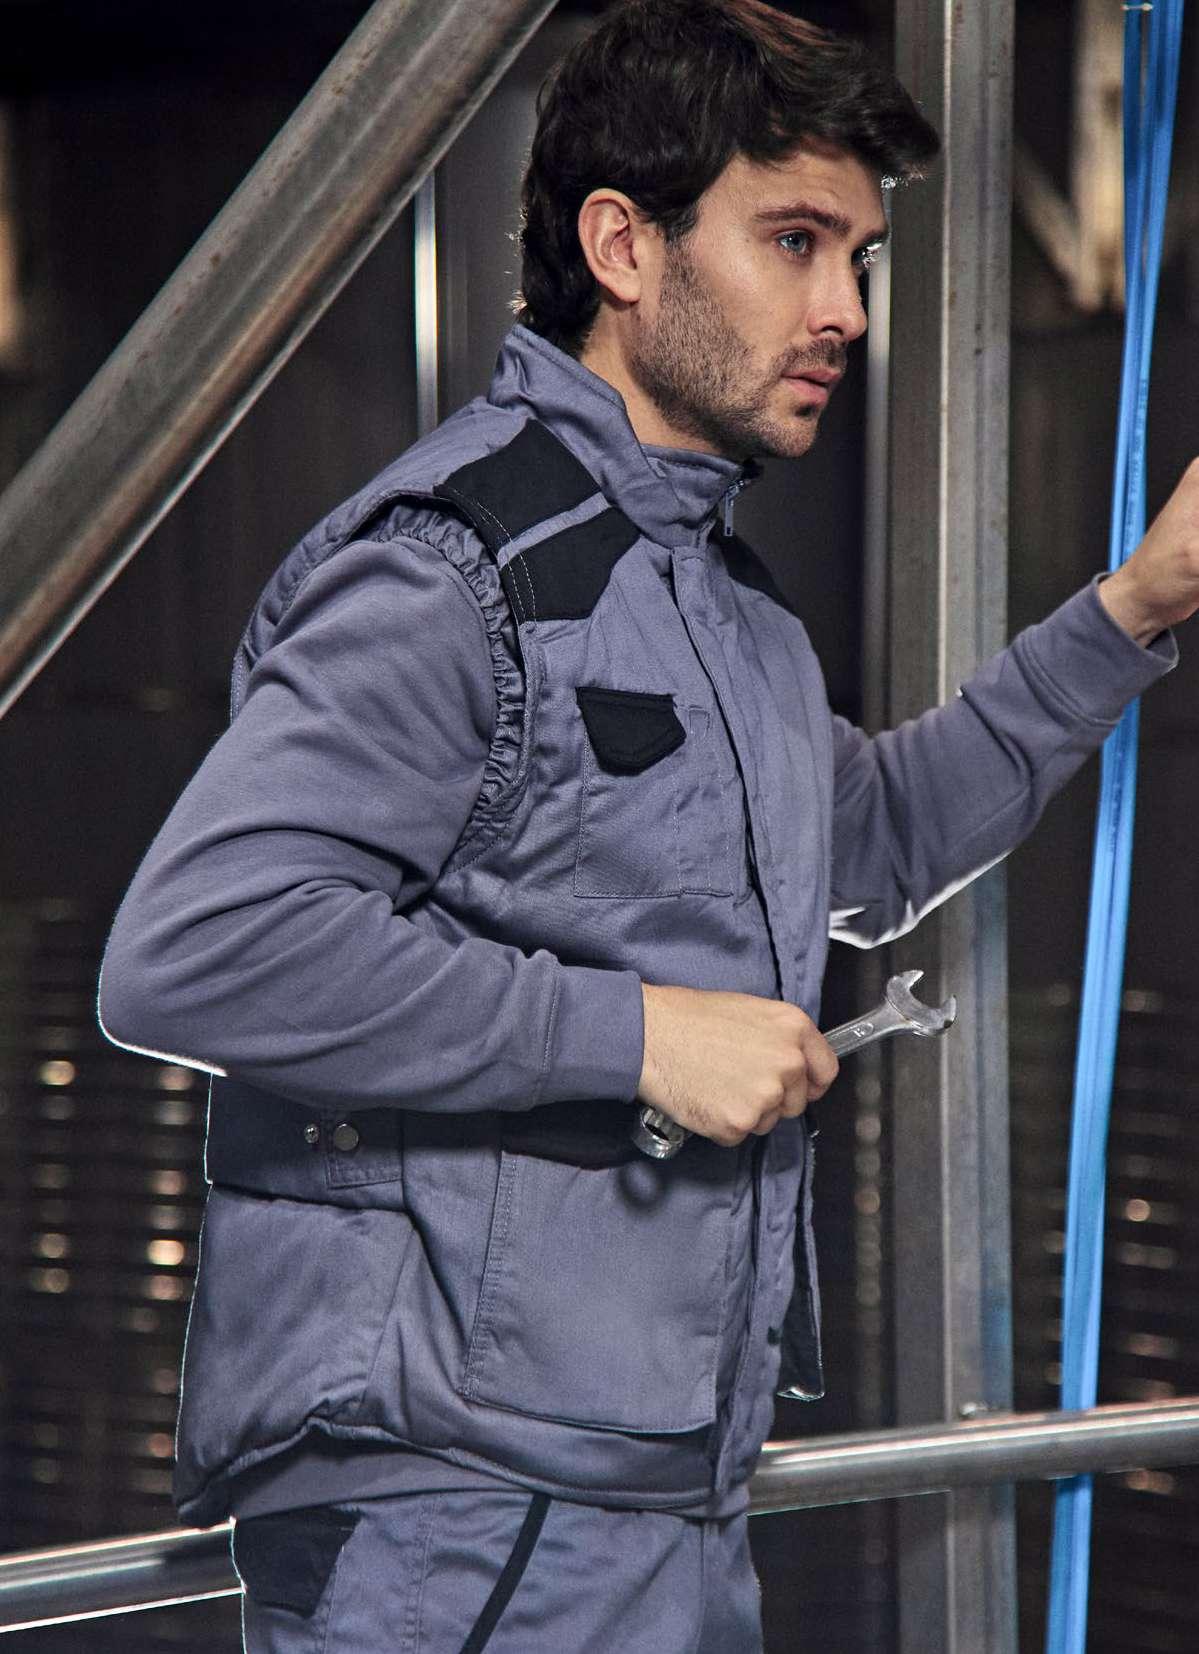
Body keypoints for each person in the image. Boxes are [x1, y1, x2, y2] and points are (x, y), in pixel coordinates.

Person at [98, 1, 1198, 1648]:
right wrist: (638, 1036)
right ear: (623, 245)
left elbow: (877, 839)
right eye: (794, 241)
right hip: (457, 1526)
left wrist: (1137, 607)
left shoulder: (726, 612)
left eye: (859, 257)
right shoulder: (457, 570)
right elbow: (196, 946)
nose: (845, 309)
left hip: (663, 1501)